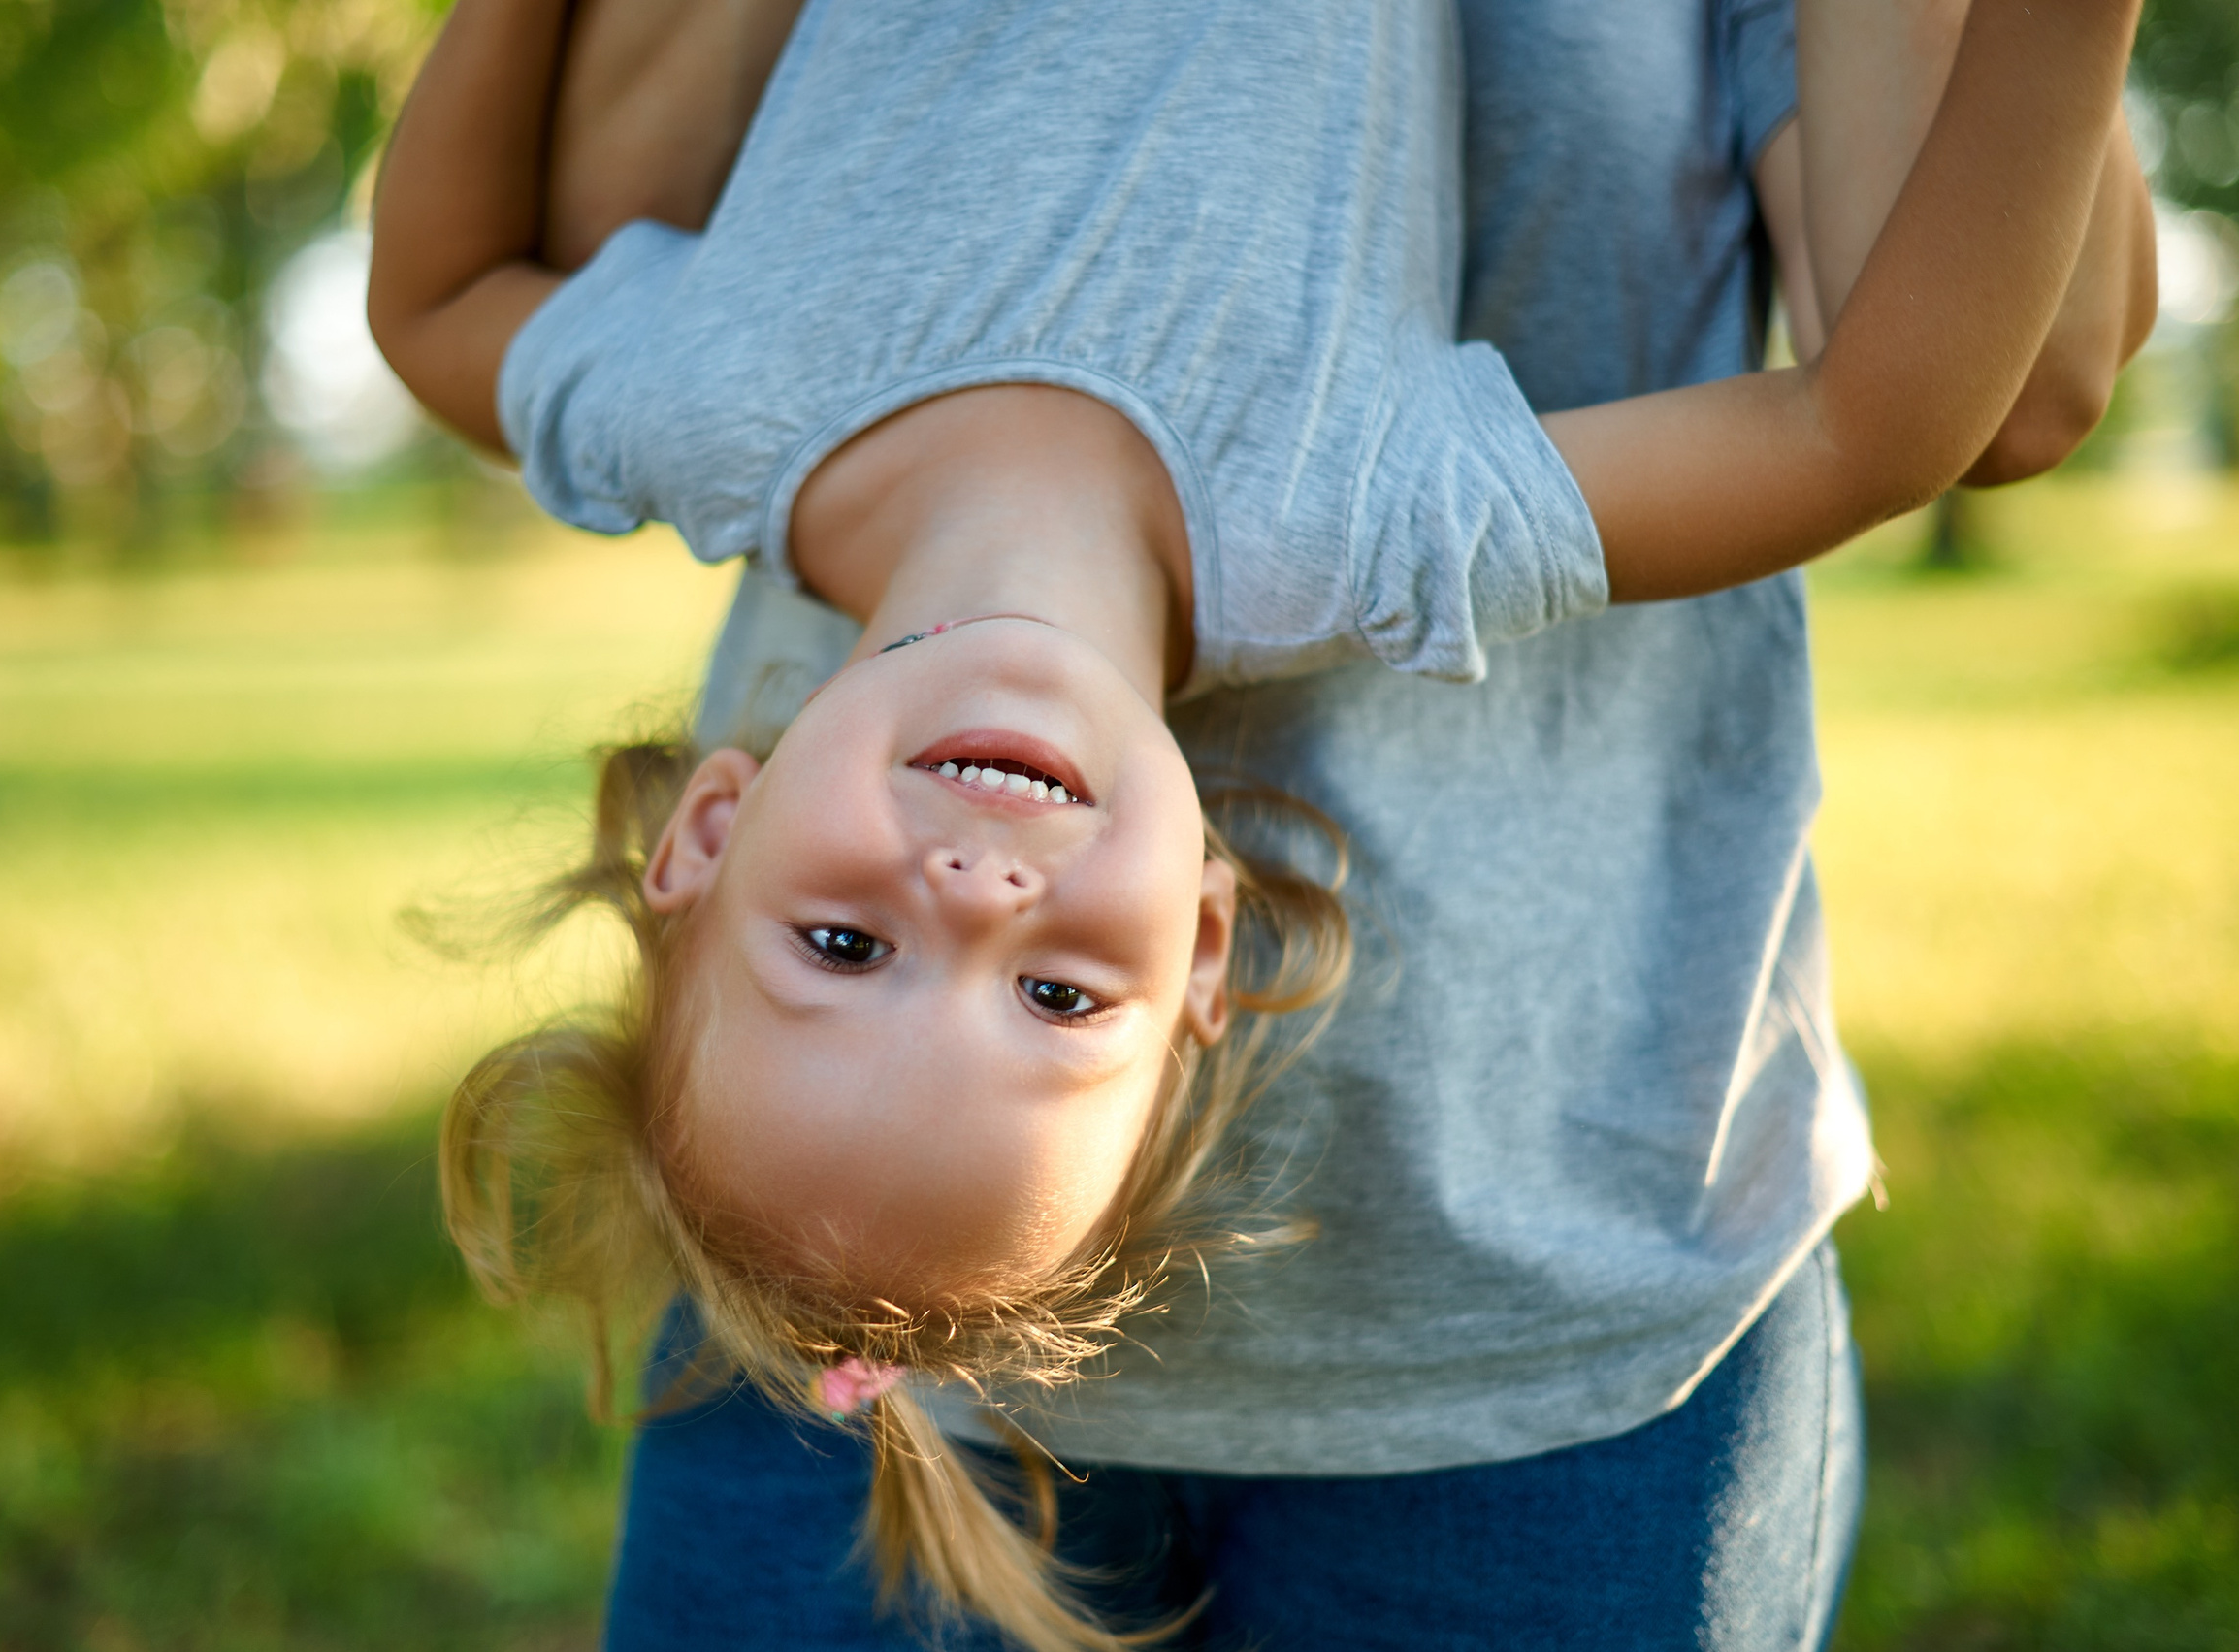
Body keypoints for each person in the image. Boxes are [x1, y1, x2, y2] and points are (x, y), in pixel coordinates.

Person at [366, 0, 2156, 1645]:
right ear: (1207, 933)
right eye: (1060, 1000)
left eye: (846, 945)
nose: (980, 894)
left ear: (703, 835)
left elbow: (435, 299)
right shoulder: (1354, 519)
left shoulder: (715, 411)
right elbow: (1876, 423)